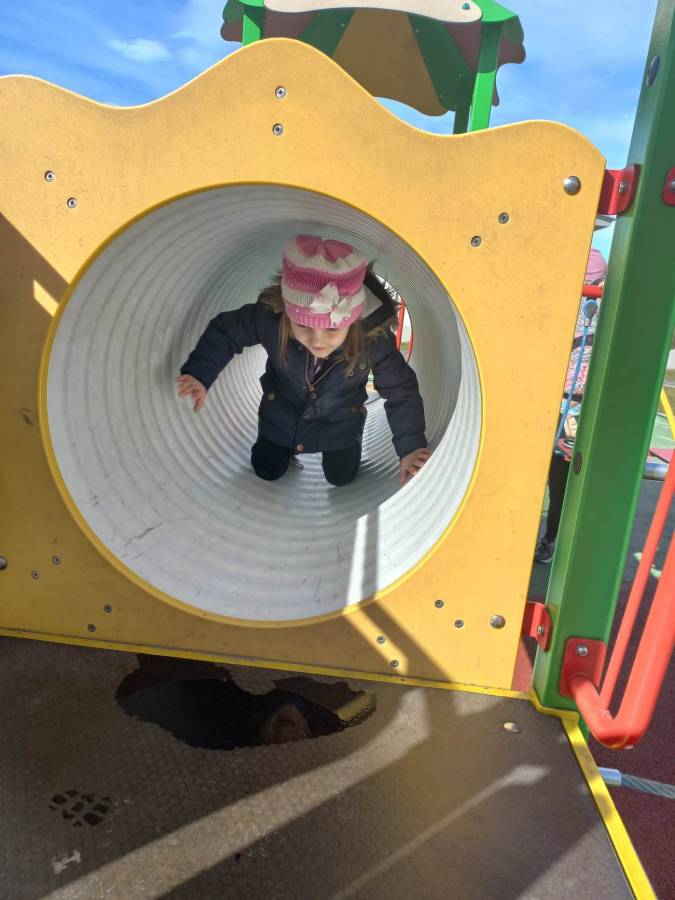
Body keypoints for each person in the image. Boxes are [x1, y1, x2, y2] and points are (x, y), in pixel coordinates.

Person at [177, 235, 429, 486]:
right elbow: (227, 331)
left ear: (352, 320)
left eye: (332, 329)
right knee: (265, 470)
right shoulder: (271, 320)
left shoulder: (372, 341)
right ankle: (286, 448)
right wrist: (199, 374)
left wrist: (410, 448)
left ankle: (356, 429)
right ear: (289, 313)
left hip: (340, 419)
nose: (318, 340)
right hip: (282, 413)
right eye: (303, 326)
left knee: (341, 477)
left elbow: (400, 390)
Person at [535, 247, 608, 563]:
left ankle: (551, 539)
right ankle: (548, 538)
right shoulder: (569, 304)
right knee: (556, 477)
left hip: (571, 404)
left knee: (559, 478)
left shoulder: (600, 309)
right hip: (560, 401)